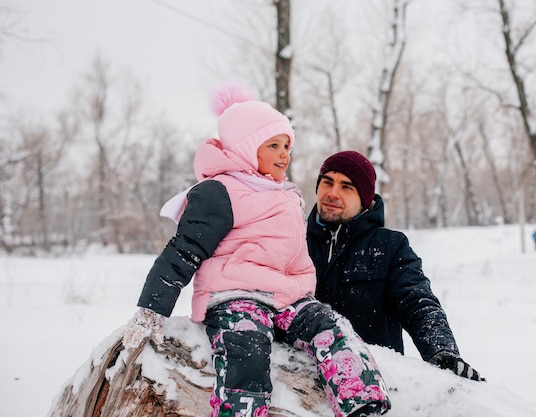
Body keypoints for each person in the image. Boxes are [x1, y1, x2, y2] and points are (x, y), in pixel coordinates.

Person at [123, 88, 391, 417]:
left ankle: (362, 401)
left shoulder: (286, 193)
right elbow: (182, 251)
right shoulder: (220, 191)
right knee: (246, 351)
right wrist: (151, 309)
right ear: (248, 148)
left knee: (332, 327)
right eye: (273, 146)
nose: (284, 155)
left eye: (287, 146)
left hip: (289, 297)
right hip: (236, 297)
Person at [307, 150, 484, 382]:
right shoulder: (292, 240)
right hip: (300, 380)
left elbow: (417, 302)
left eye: (346, 187)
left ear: (364, 199)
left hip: (371, 382)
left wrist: (442, 350)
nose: (332, 193)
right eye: (327, 183)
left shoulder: (390, 246)